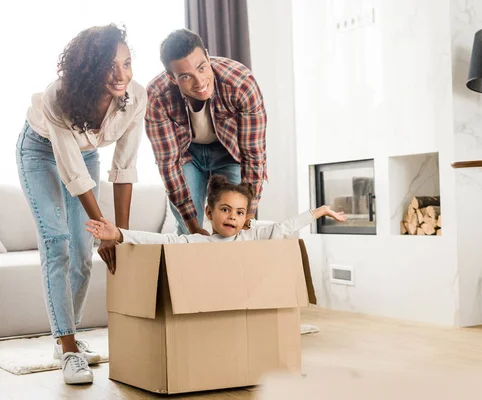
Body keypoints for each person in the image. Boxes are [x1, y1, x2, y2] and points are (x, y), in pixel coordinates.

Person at [16, 24, 147, 385]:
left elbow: (124, 167)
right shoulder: (56, 97)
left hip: (86, 156)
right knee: (58, 244)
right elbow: (72, 173)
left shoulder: (136, 98)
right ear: (89, 69)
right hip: (39, 152)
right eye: (110, 66)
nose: (121, 75)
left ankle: (65, 338)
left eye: (127, 63)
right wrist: (103, 226)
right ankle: (69, 348)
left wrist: (117, 234)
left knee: (84, 247)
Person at [145, 28, 267, 237]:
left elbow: (253, 155)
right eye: (185, 76)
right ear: (172, 78)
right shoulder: (157, 97)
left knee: (234, 227)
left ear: (208, 57)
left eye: (202, 68)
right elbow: (168, 164)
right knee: (188, 231)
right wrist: (193, 227)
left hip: (229, 153)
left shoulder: (241, 84)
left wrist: (247, 215)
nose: (199, 82)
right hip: (187, 156)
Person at [86, 175, 346, 244]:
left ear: (246, 218)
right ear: (209, 213)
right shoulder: (198, 242)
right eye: (225, 209)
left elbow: (284, 227)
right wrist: (119, 233)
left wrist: (319, 211)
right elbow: (159, 240)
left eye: (240, 212)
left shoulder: (251, 236)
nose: (232, 216)